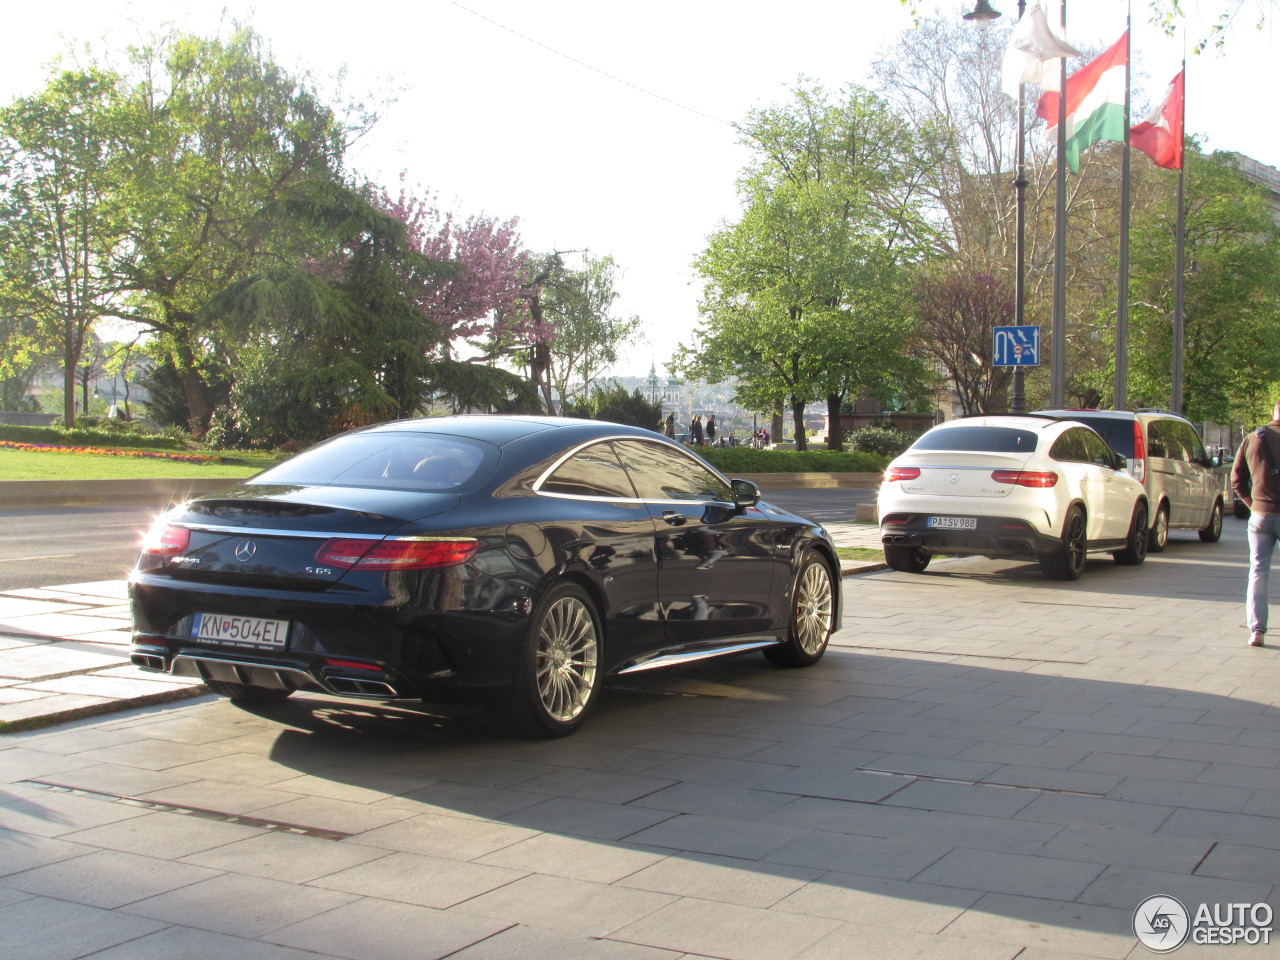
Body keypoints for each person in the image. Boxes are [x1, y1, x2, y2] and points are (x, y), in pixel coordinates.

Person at [1232, 400, 1280, 647]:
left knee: (1258, 571)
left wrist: (1253, 505)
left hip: (1260, 515)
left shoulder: (1253, 438)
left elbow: (1236, 479)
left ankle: (1257, 630)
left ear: (1273, 412)